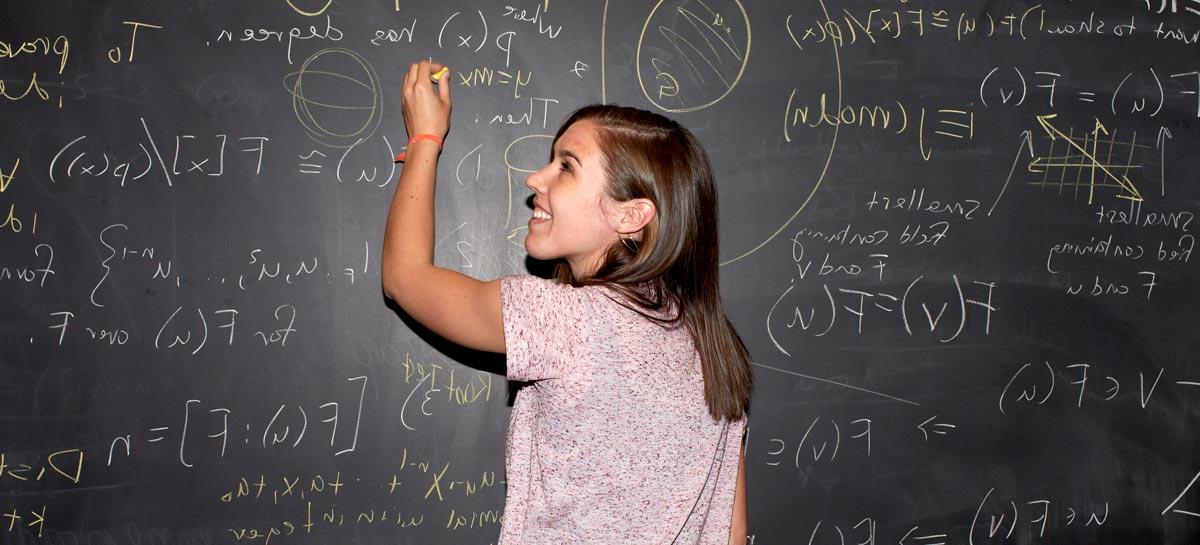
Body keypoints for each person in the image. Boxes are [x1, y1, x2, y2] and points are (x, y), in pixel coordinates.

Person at [382, 60, 751, 544]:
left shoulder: (565, 320)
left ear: (632, 215)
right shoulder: (713, 346)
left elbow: (404, 277)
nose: (536, 178)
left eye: (566, 167)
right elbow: (733, 531)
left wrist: (425, 138)